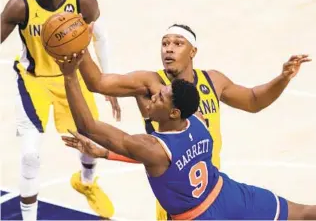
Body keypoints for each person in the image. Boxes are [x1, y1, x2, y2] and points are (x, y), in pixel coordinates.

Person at [58, 23, 311, 220]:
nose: (168, 48)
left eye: (178, 43)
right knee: (299, 213)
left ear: (193, 51)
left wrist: (283, 78)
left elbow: (254, 100)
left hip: (206, 186)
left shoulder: (212, 82)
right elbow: (97, 83)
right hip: (201, 189)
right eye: (165, 43)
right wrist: (80, 46)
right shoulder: (160, 91)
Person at [0, 0, 120, 219]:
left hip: (72, 77)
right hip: (33, 82)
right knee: (29, 156)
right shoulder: (20, 5)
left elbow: (101, 38)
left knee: (90, 138)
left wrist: (108, 81)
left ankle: (86, 182)